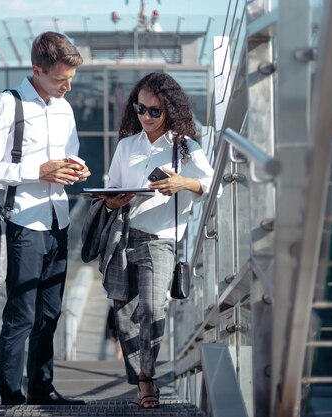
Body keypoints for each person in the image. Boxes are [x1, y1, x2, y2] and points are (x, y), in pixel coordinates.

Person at [0, 31, 89, 406]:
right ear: (36, 70)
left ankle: (43, 388)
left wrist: (77, 169)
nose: (68, 87)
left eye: (71, 79)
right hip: (22, 220)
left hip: (58, 220)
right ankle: (11, 398)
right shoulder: (6, 106)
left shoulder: (63, 107)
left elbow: (70, 156)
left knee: (50, 313)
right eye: (60, 79)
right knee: (21, 313)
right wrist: (39, 171)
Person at [97, 72, 217, 408]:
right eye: (141, 109)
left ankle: (149, 380)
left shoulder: (185, 147)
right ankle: (142, 383)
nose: (146, 117)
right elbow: (112, 190)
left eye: (154, 111)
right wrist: (112, 200)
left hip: (160, 239)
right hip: (123, 236)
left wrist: (183, 183)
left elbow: (211, 184)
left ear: (170, 110)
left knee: (152, 308)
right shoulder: (126, 146)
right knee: (123, 312)